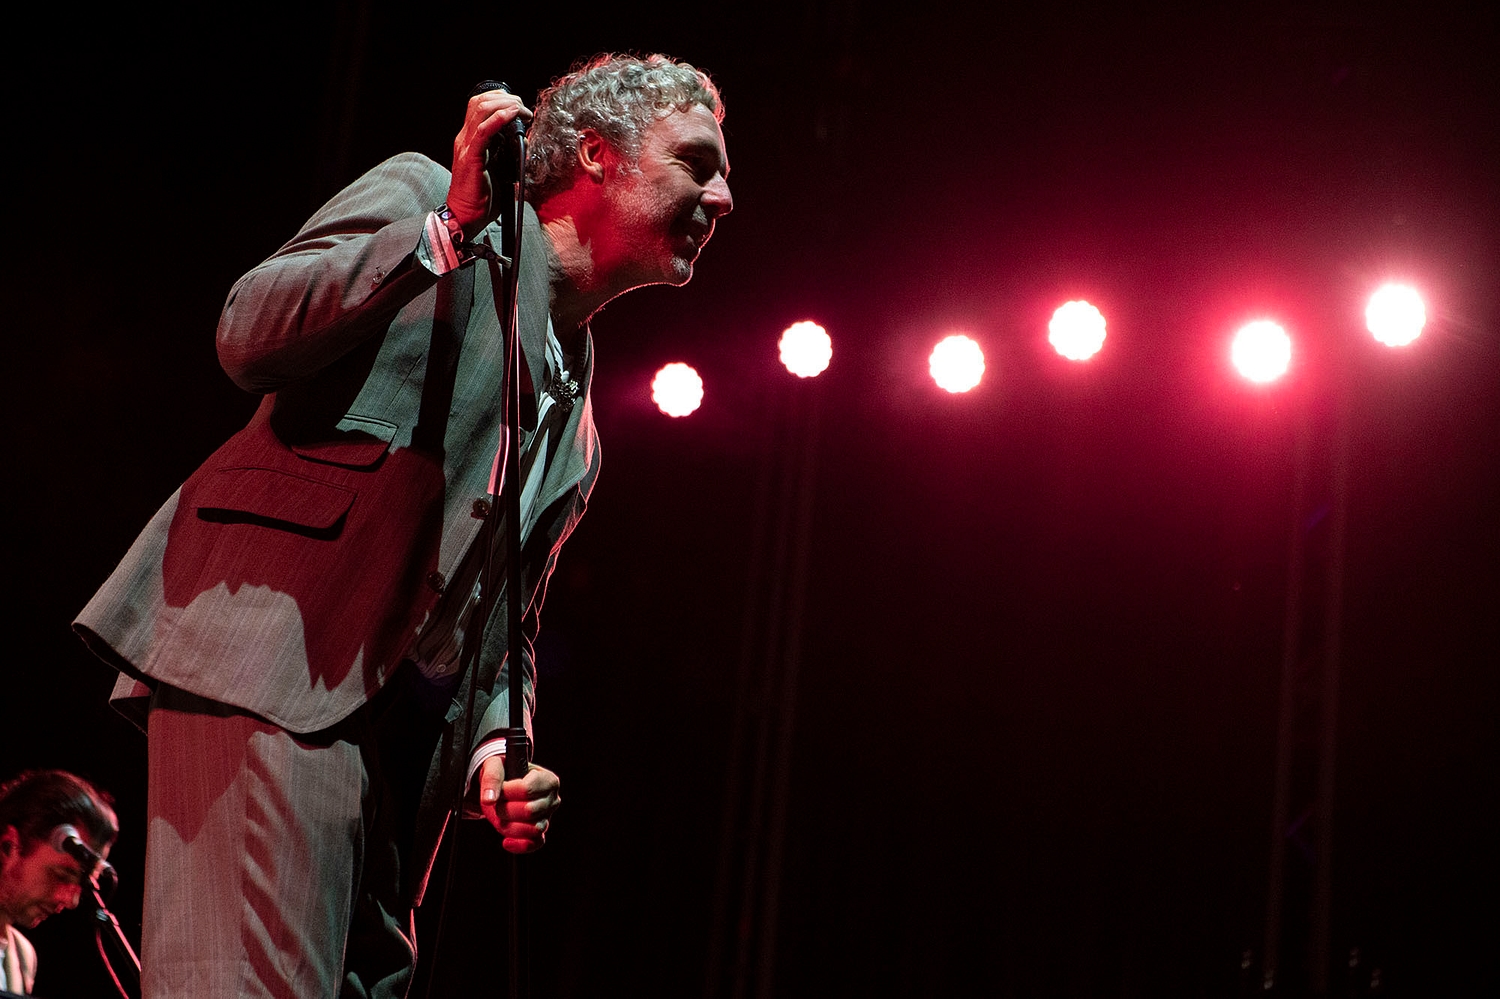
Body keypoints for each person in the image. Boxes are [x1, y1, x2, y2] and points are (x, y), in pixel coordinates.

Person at [73, 52, 732, 997]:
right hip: (269, 659)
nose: (725, 196)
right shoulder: (431, 196)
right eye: (698, 163)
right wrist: (442, 233)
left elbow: (506, 631)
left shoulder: (580, 430)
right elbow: (245, 333)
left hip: (392, 754)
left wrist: (500, 750)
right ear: (598, 155)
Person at [0, 770, 119, 996]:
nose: (71, 900)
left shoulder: (22, 956)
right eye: (62, 875)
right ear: (9, 846)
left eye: (81, 884)